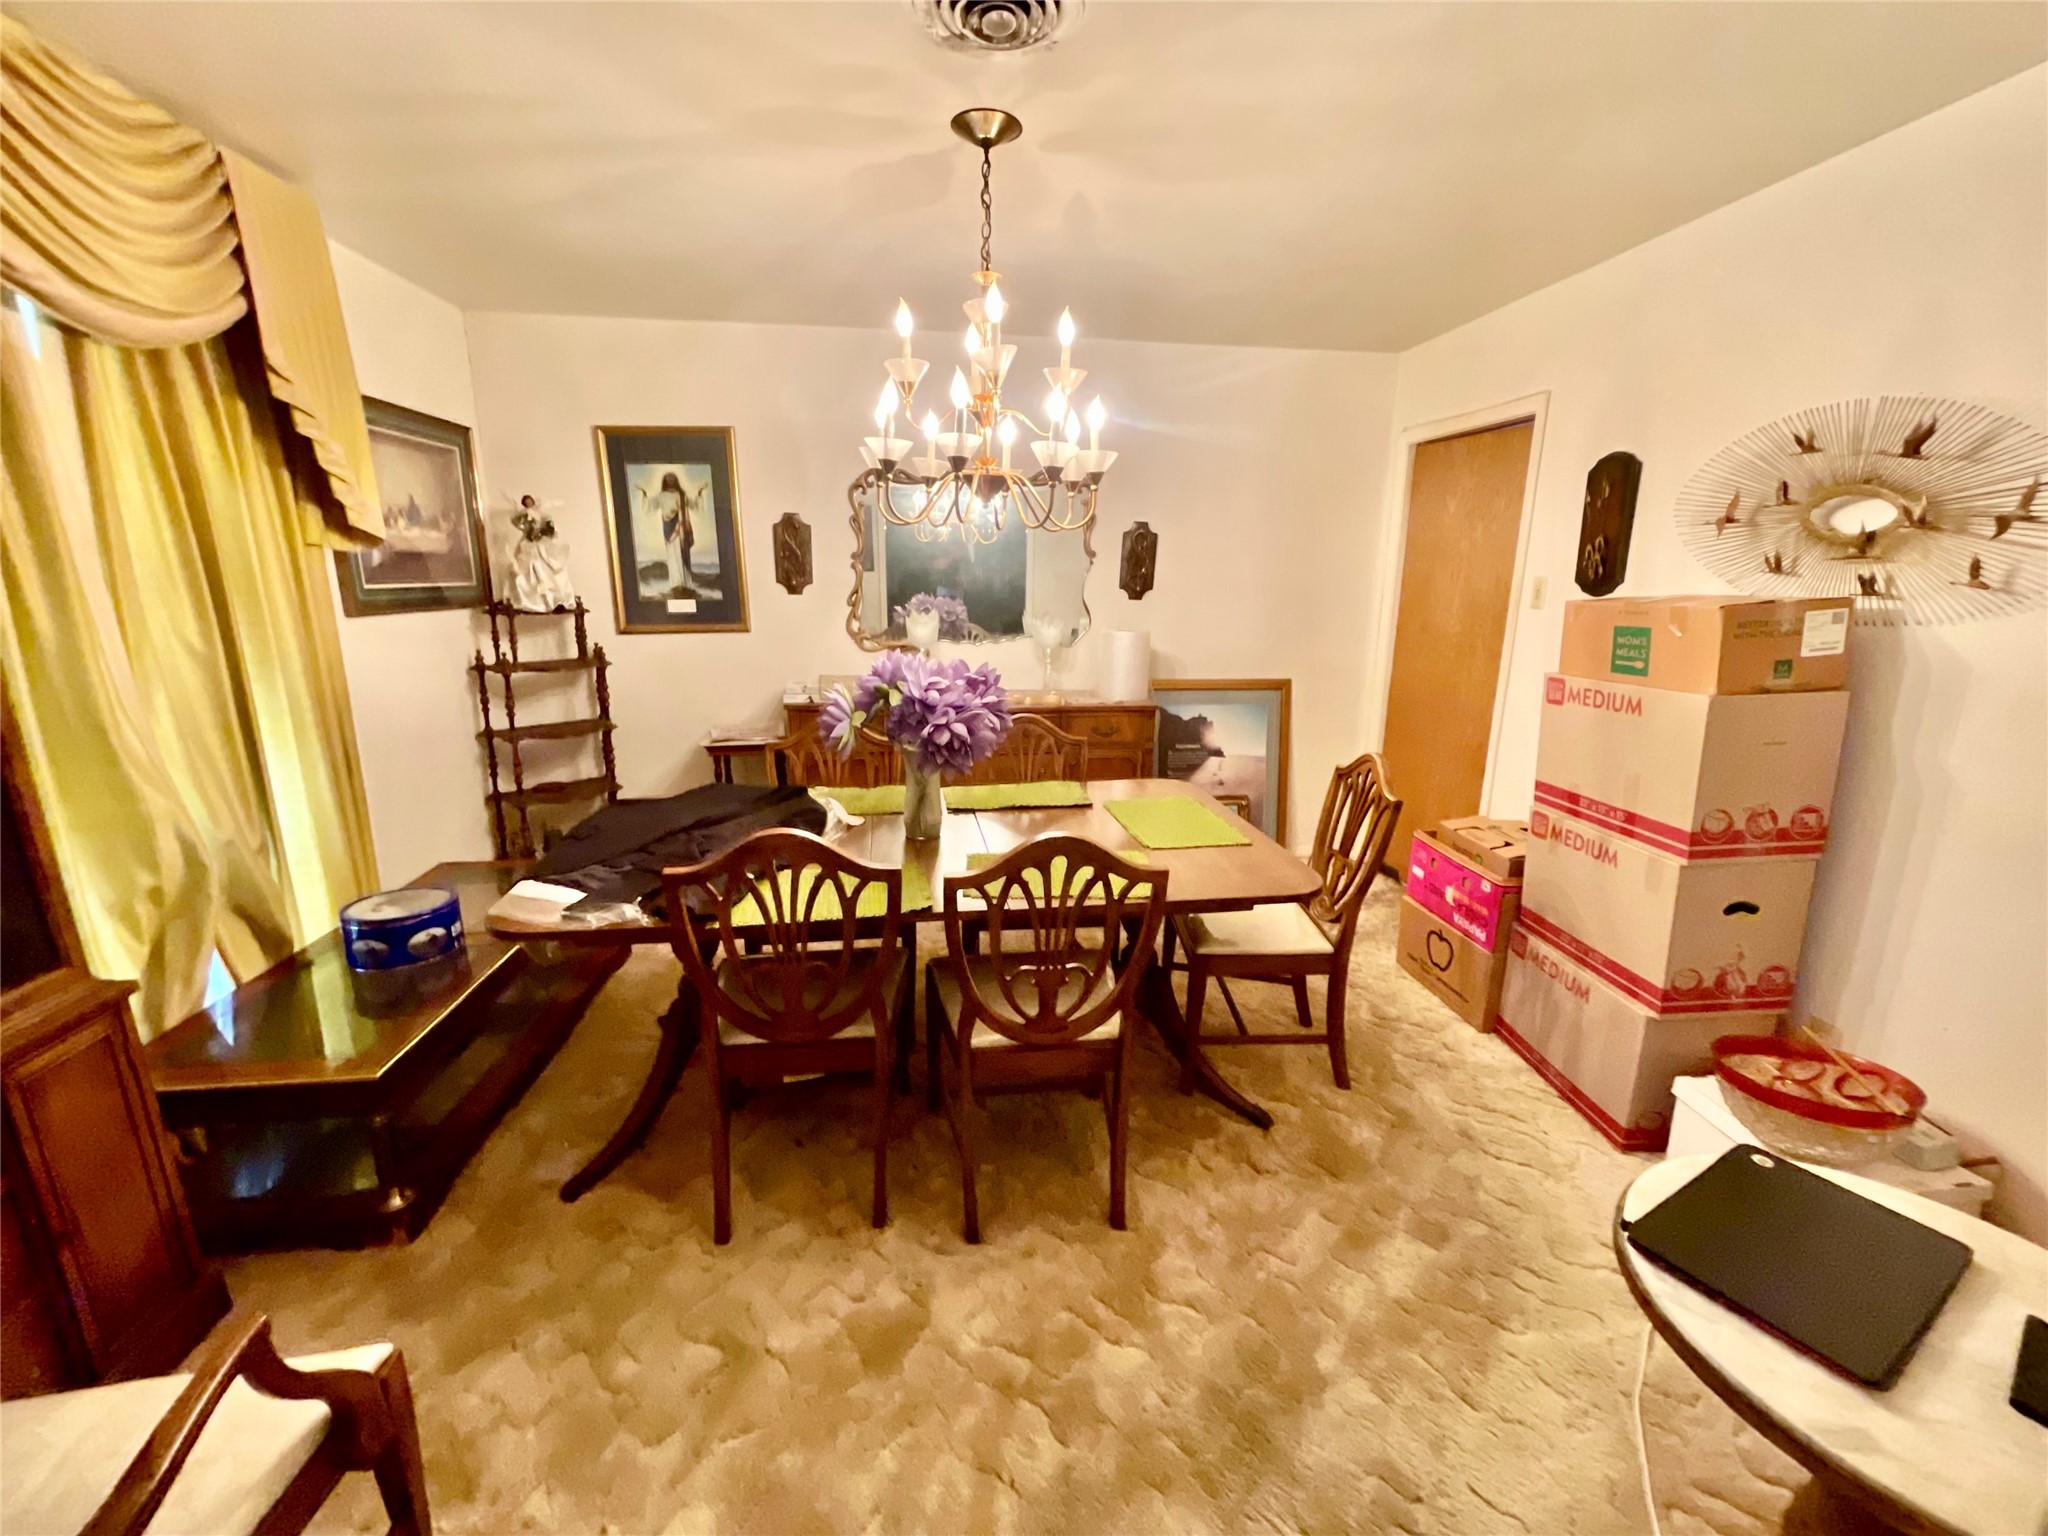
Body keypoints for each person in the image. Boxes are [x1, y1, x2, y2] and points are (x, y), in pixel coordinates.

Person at [641, 470, 695, 596]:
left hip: (681, 528)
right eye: (668, 478)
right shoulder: (661, 495)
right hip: (668, 528)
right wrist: (644, 496)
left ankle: (685, 582)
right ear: (665, 481)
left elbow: (693, 504)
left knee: (682, 552)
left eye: (672, 478)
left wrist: (699, 494)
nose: (670, 480)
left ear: (676, 480)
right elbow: (650, 506)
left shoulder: (682, 495)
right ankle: (676, 582)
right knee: (672, 554)